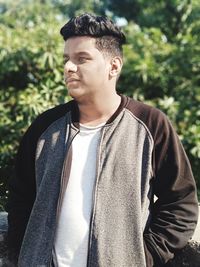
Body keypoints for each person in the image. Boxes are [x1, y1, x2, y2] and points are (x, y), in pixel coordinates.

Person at [6, 13, 198, 267]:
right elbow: (20, 199)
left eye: (82, 59)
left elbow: (181, 203)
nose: (68, 68)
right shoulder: (45, 128)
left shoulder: (150, 125)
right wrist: (26, 254)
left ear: (114, 66)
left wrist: (142, 256)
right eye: (67, 60)